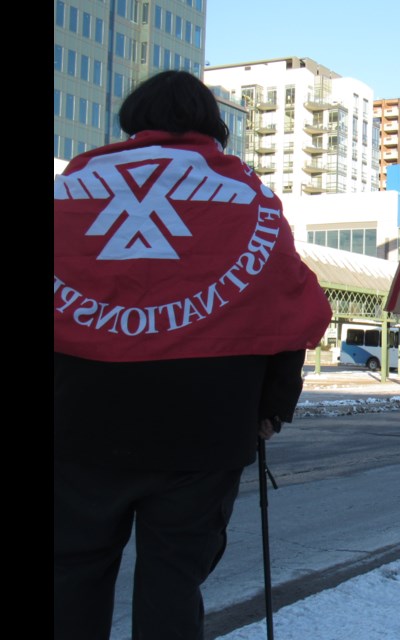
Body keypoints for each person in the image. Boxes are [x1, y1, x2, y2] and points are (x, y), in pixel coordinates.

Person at [53, 70, 333, 640]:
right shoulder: (251, 201)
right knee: (172, 584)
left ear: (132, 118)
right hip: (204, 428)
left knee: (71, 576)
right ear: (212, 125)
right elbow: (285, 311)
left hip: (78, 423)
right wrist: (273, 406)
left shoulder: (68, 194)